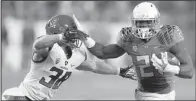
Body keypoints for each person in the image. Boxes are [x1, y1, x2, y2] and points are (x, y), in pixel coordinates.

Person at [2, 15, 136, 100]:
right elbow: (38, 44)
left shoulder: (77, 53)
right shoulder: (48, 49)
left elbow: (94, 65)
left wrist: (120, 71)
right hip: (22, 96)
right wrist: (61, 37)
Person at [78, 2, 195, 100]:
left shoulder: (167, 36)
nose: (143, 26)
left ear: (156, 21)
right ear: (133, 22)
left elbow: (189, 71)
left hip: (165, 95)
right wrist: (84, 37)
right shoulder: (129, 39)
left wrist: (169, 68)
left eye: (147, 22)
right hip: (141, 94)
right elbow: (102, 52)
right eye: (140, 22)